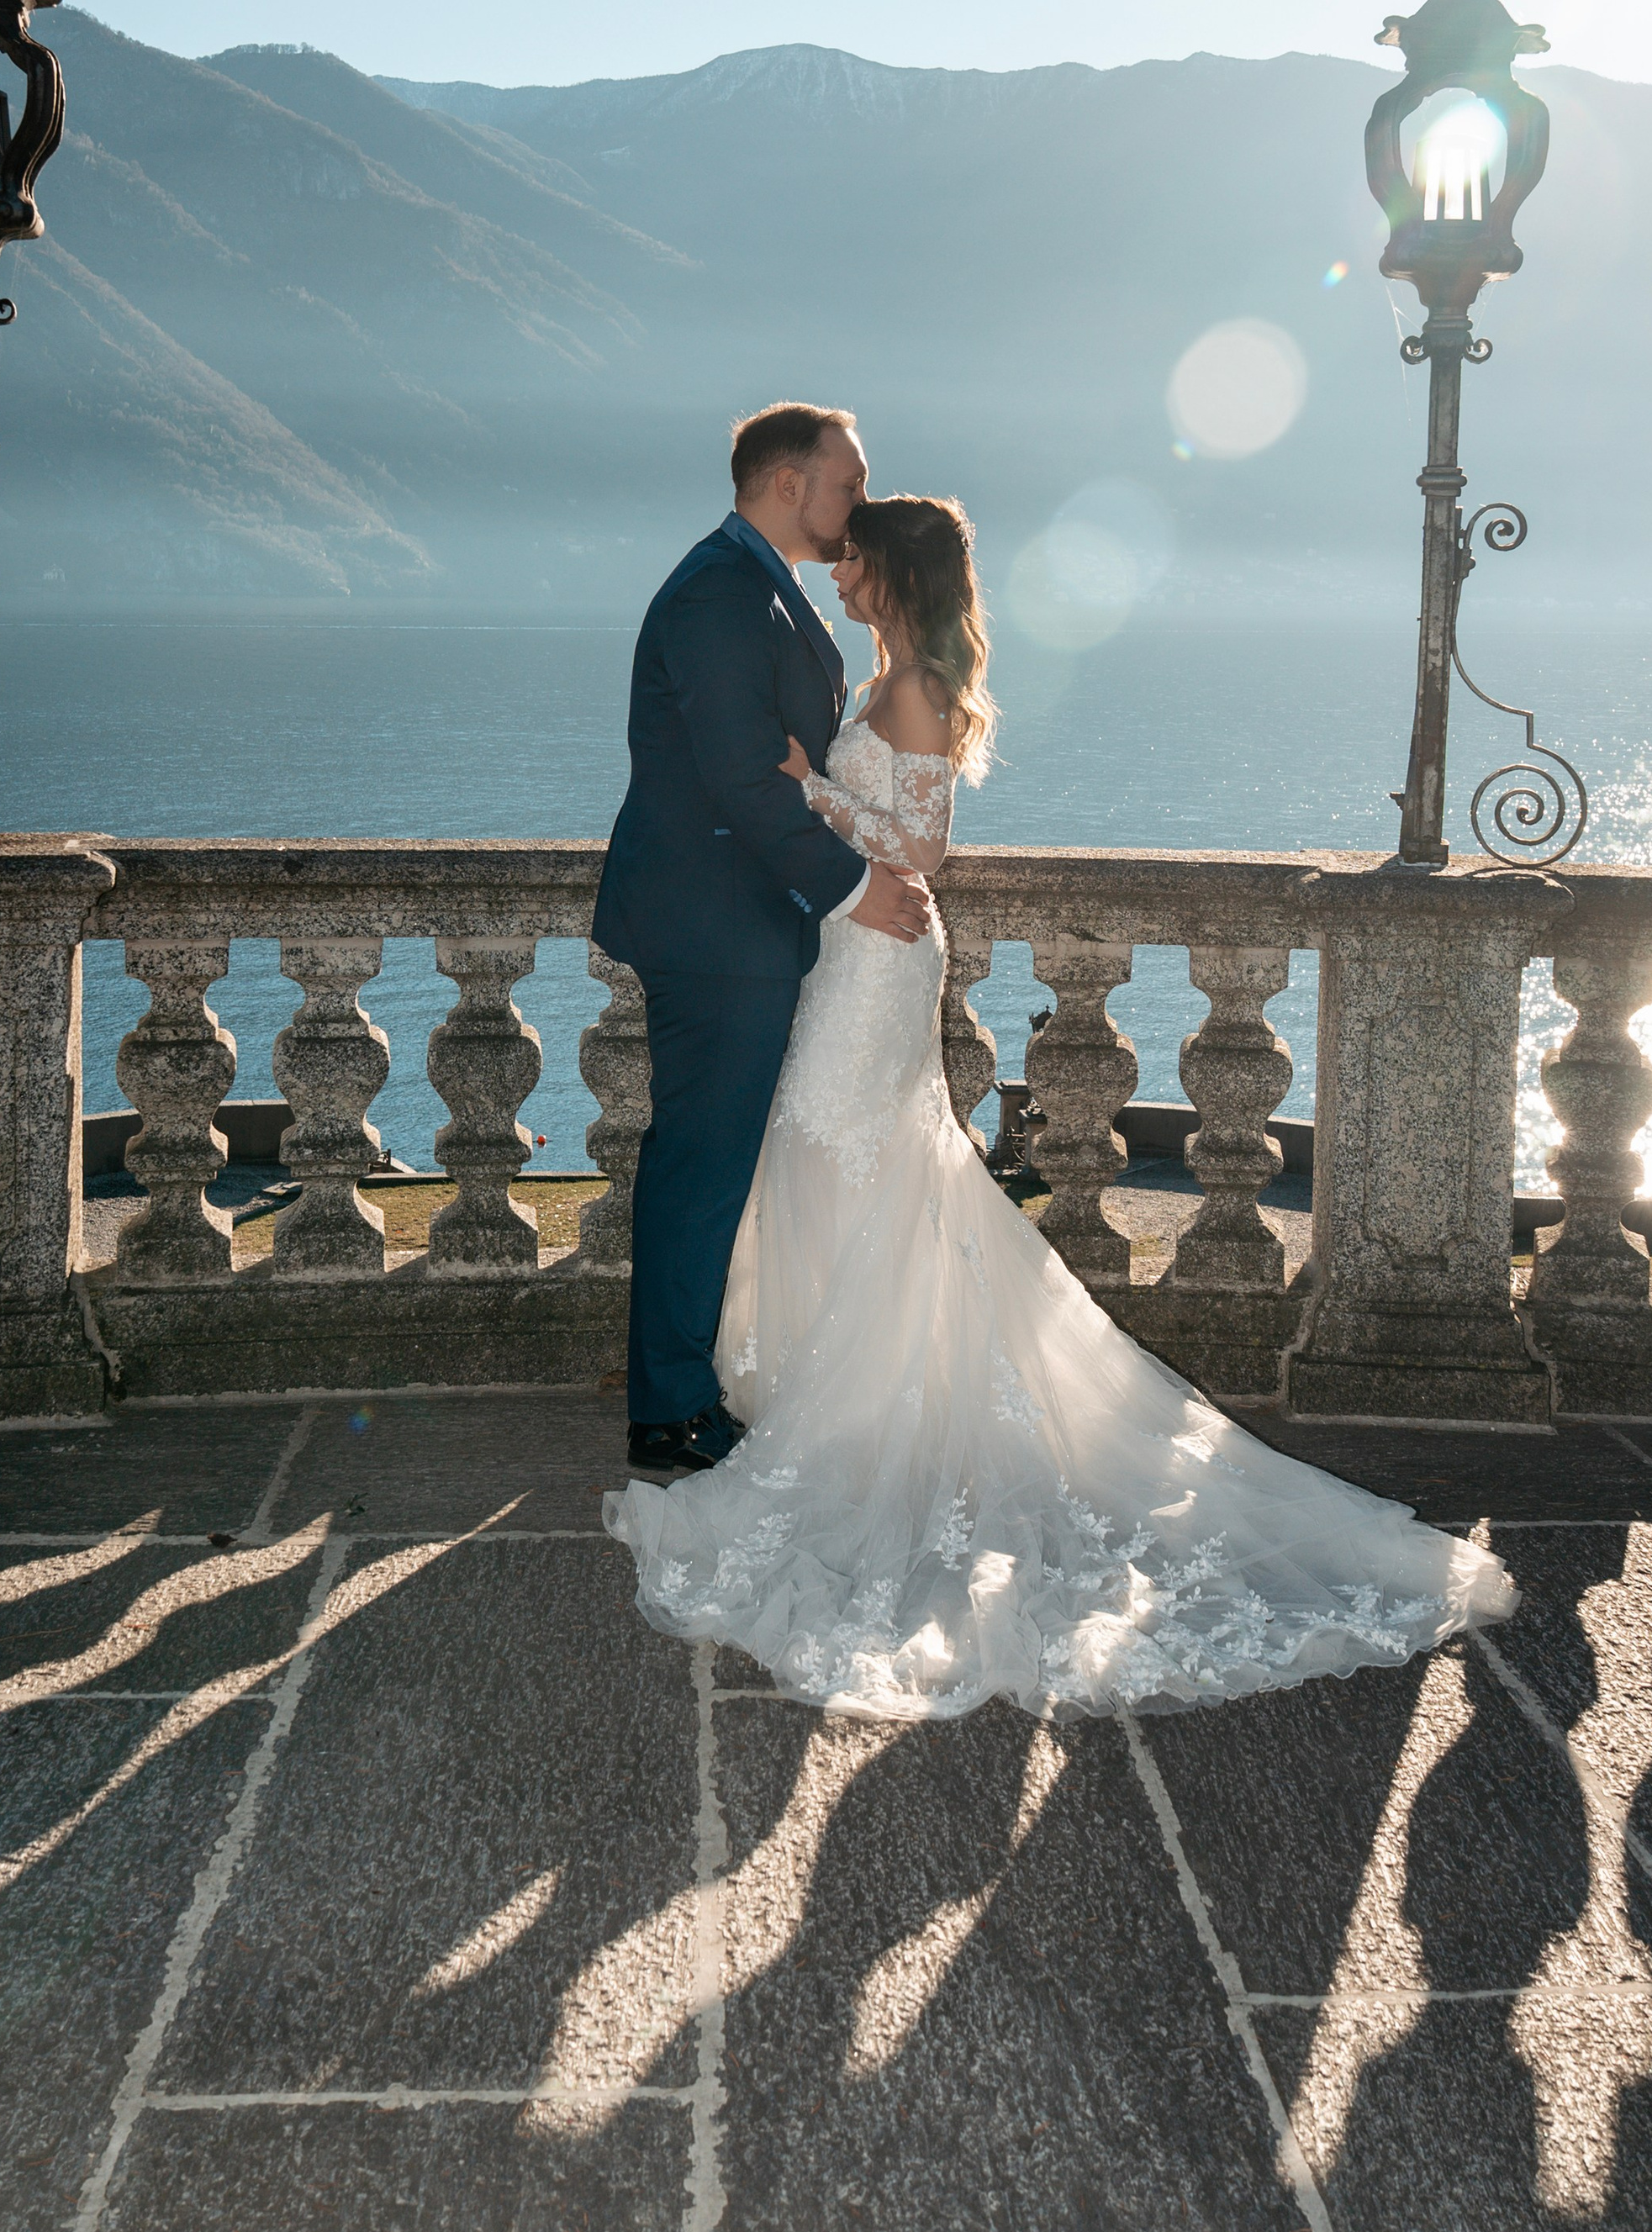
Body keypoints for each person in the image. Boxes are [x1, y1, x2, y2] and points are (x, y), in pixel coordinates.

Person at [604, 490, 1517, 1718]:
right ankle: (825, 1394)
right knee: (828, 1154)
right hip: (853, 953)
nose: (838, 572)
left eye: (854, 558)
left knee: (853, 1150)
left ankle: (862, 1418)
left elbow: (922, 849)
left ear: (891, 573)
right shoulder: (881, 677)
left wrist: (812, 795)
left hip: (879, 958)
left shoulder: (916, 684)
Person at [594, 404, 932, 1478]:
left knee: (717, 1160)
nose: (859, 505)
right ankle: (671, 1412)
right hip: (714, 929)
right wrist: (850, 891)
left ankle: (691, 1384)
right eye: (849, 483)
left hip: (741, 923)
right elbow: (743, 774)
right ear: (788, 482)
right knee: (700, 1165)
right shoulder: (718, 595)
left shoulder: (761, 591)